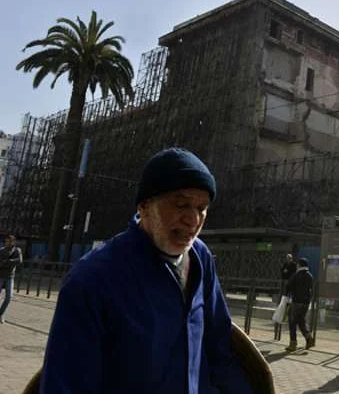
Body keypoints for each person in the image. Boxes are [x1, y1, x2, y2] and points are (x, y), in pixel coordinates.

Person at [40, 148, 253, 393]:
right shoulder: (92, 279)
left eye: (202, 208)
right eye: (181, 205)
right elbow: (67, 383)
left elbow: (219, 347)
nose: (193, 220)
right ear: (144, 206)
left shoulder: (200, 257)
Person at [283, 257, 315, 352]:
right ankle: (309, 339)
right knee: (301, 321)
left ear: (299, 265)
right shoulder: (310, 276)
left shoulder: (296, 275)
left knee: (292, 322)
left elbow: (288, 286)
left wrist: (287, 297)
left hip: (296, 301)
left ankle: (293, 344)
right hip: (306, 303)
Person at [0, 234, 23, 324]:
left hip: (10, 276)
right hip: (0, 276)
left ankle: (1, 313)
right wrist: (10, 262)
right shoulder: (1, 250)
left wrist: (7, 262)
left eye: (10, 241)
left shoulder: (17, 250)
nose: (8, 243)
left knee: (9, 297)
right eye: (7, 241)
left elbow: (19, 261)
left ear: (14, 241)